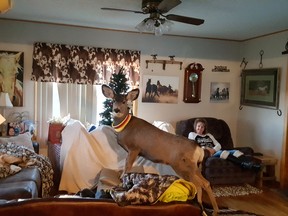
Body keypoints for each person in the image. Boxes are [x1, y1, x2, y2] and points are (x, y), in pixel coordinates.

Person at [188, 118, 261, 171]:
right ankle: (246, 164)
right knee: (223, 153)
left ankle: (250, 164)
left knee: (235, 152)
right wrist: (205, 149)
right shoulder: (192, 134)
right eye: (198, 126)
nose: (200, 128)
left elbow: (218, 145)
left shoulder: (209, 135)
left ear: (204, 128)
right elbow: (193, 145)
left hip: (214, 152)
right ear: (195, 126)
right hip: (205, 154)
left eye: (202, 127)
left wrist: (213, 150)